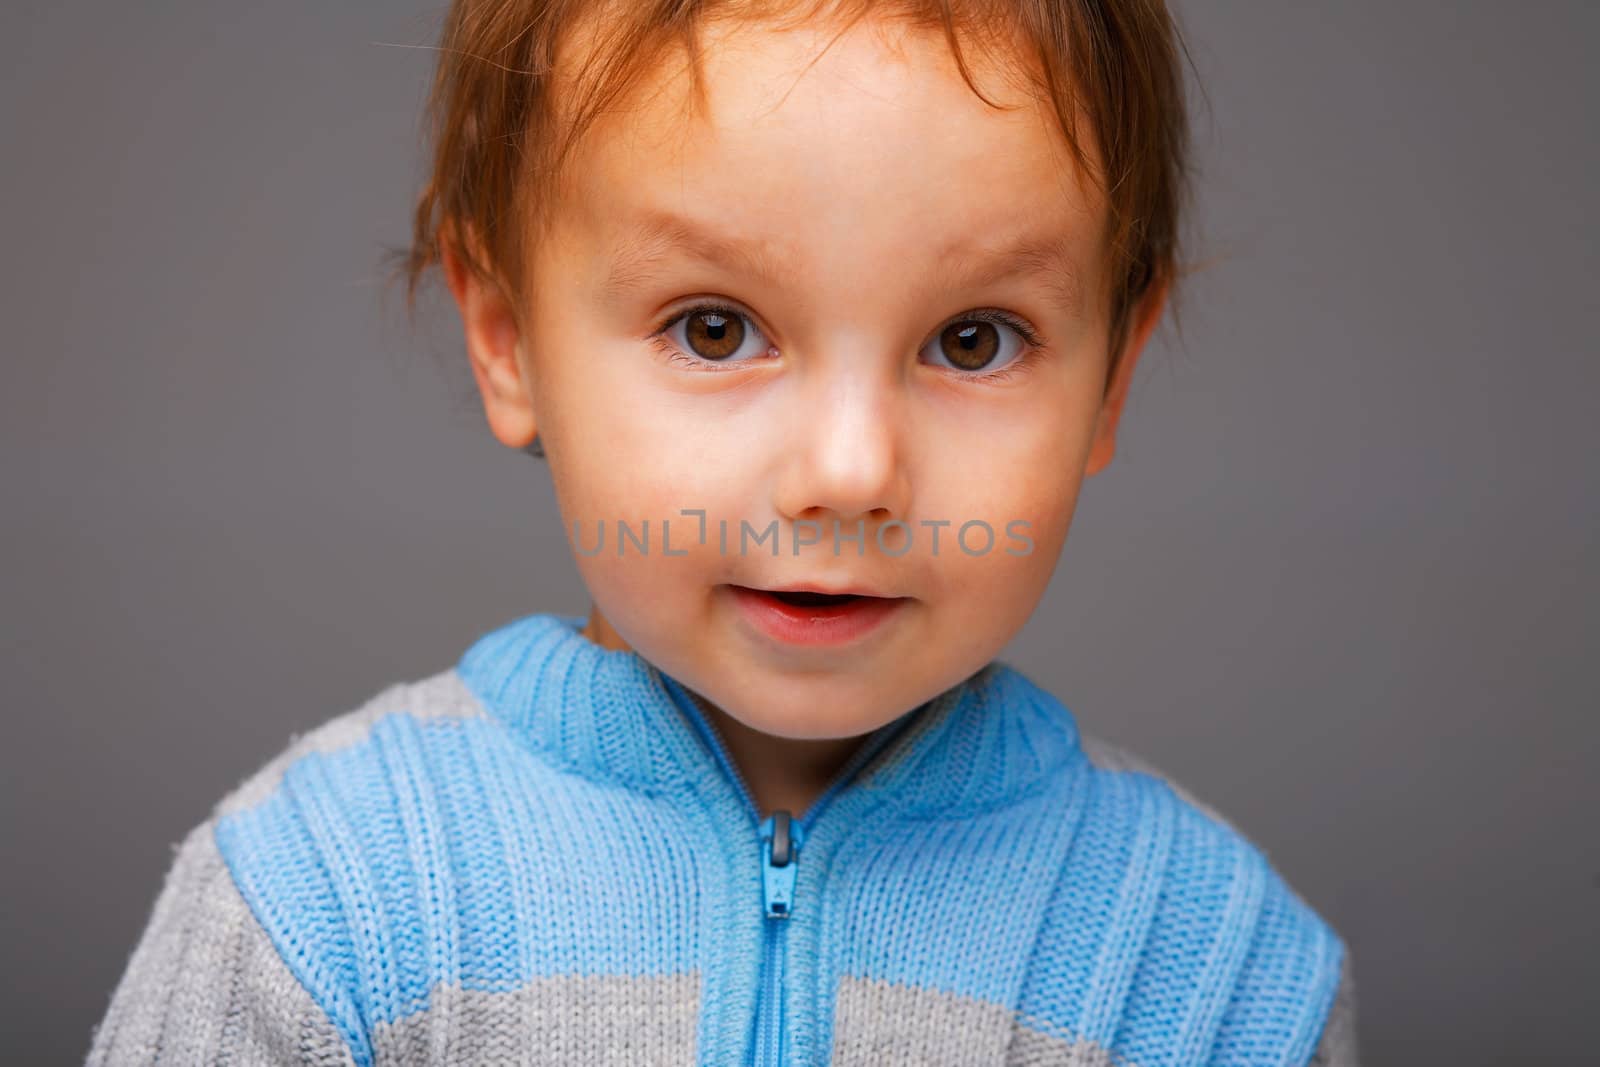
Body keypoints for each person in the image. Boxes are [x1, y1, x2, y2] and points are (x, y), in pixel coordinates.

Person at [88, 1, 1358, 1063]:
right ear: (507, 338)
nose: (849, 471)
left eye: (973, 338)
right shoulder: (325, 899)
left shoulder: (1214, 968)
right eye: (713, 327)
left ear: (1109, 382)